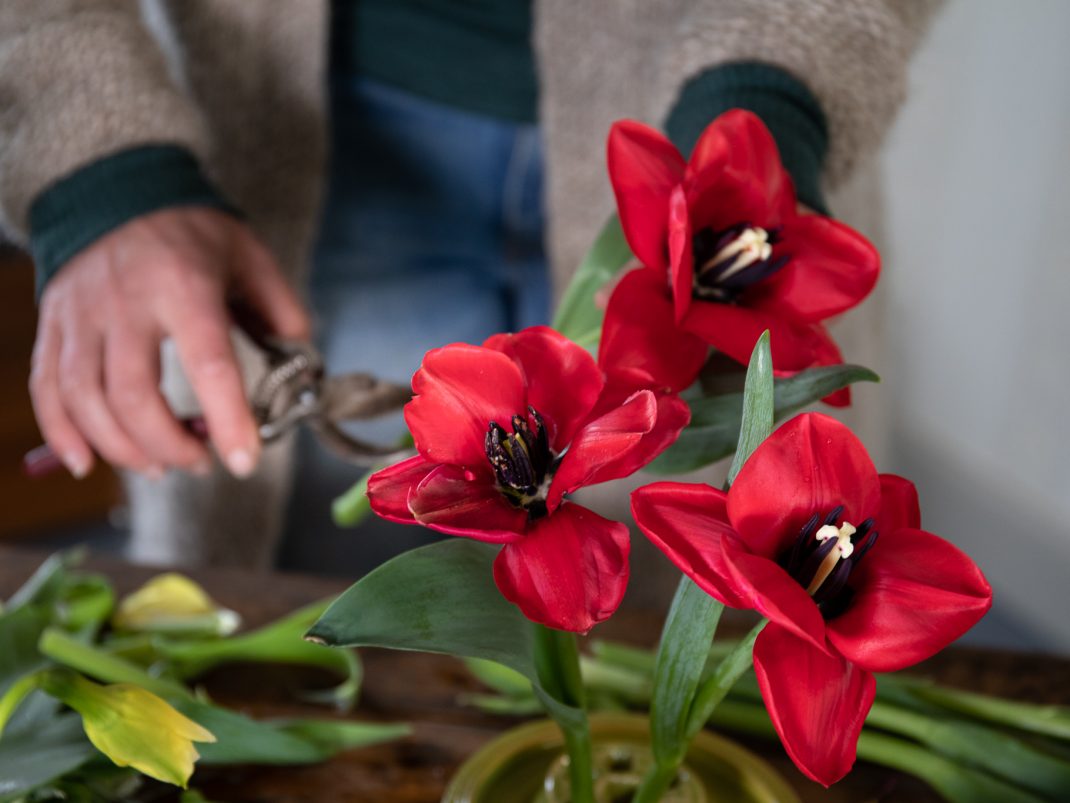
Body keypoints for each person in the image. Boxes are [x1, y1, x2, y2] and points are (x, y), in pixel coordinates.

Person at [0, 0, 941, 569]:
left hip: (726, 150)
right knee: (315, 659)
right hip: (297, 157)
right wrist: (96, 161)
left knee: (689, 681)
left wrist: (771, 101)